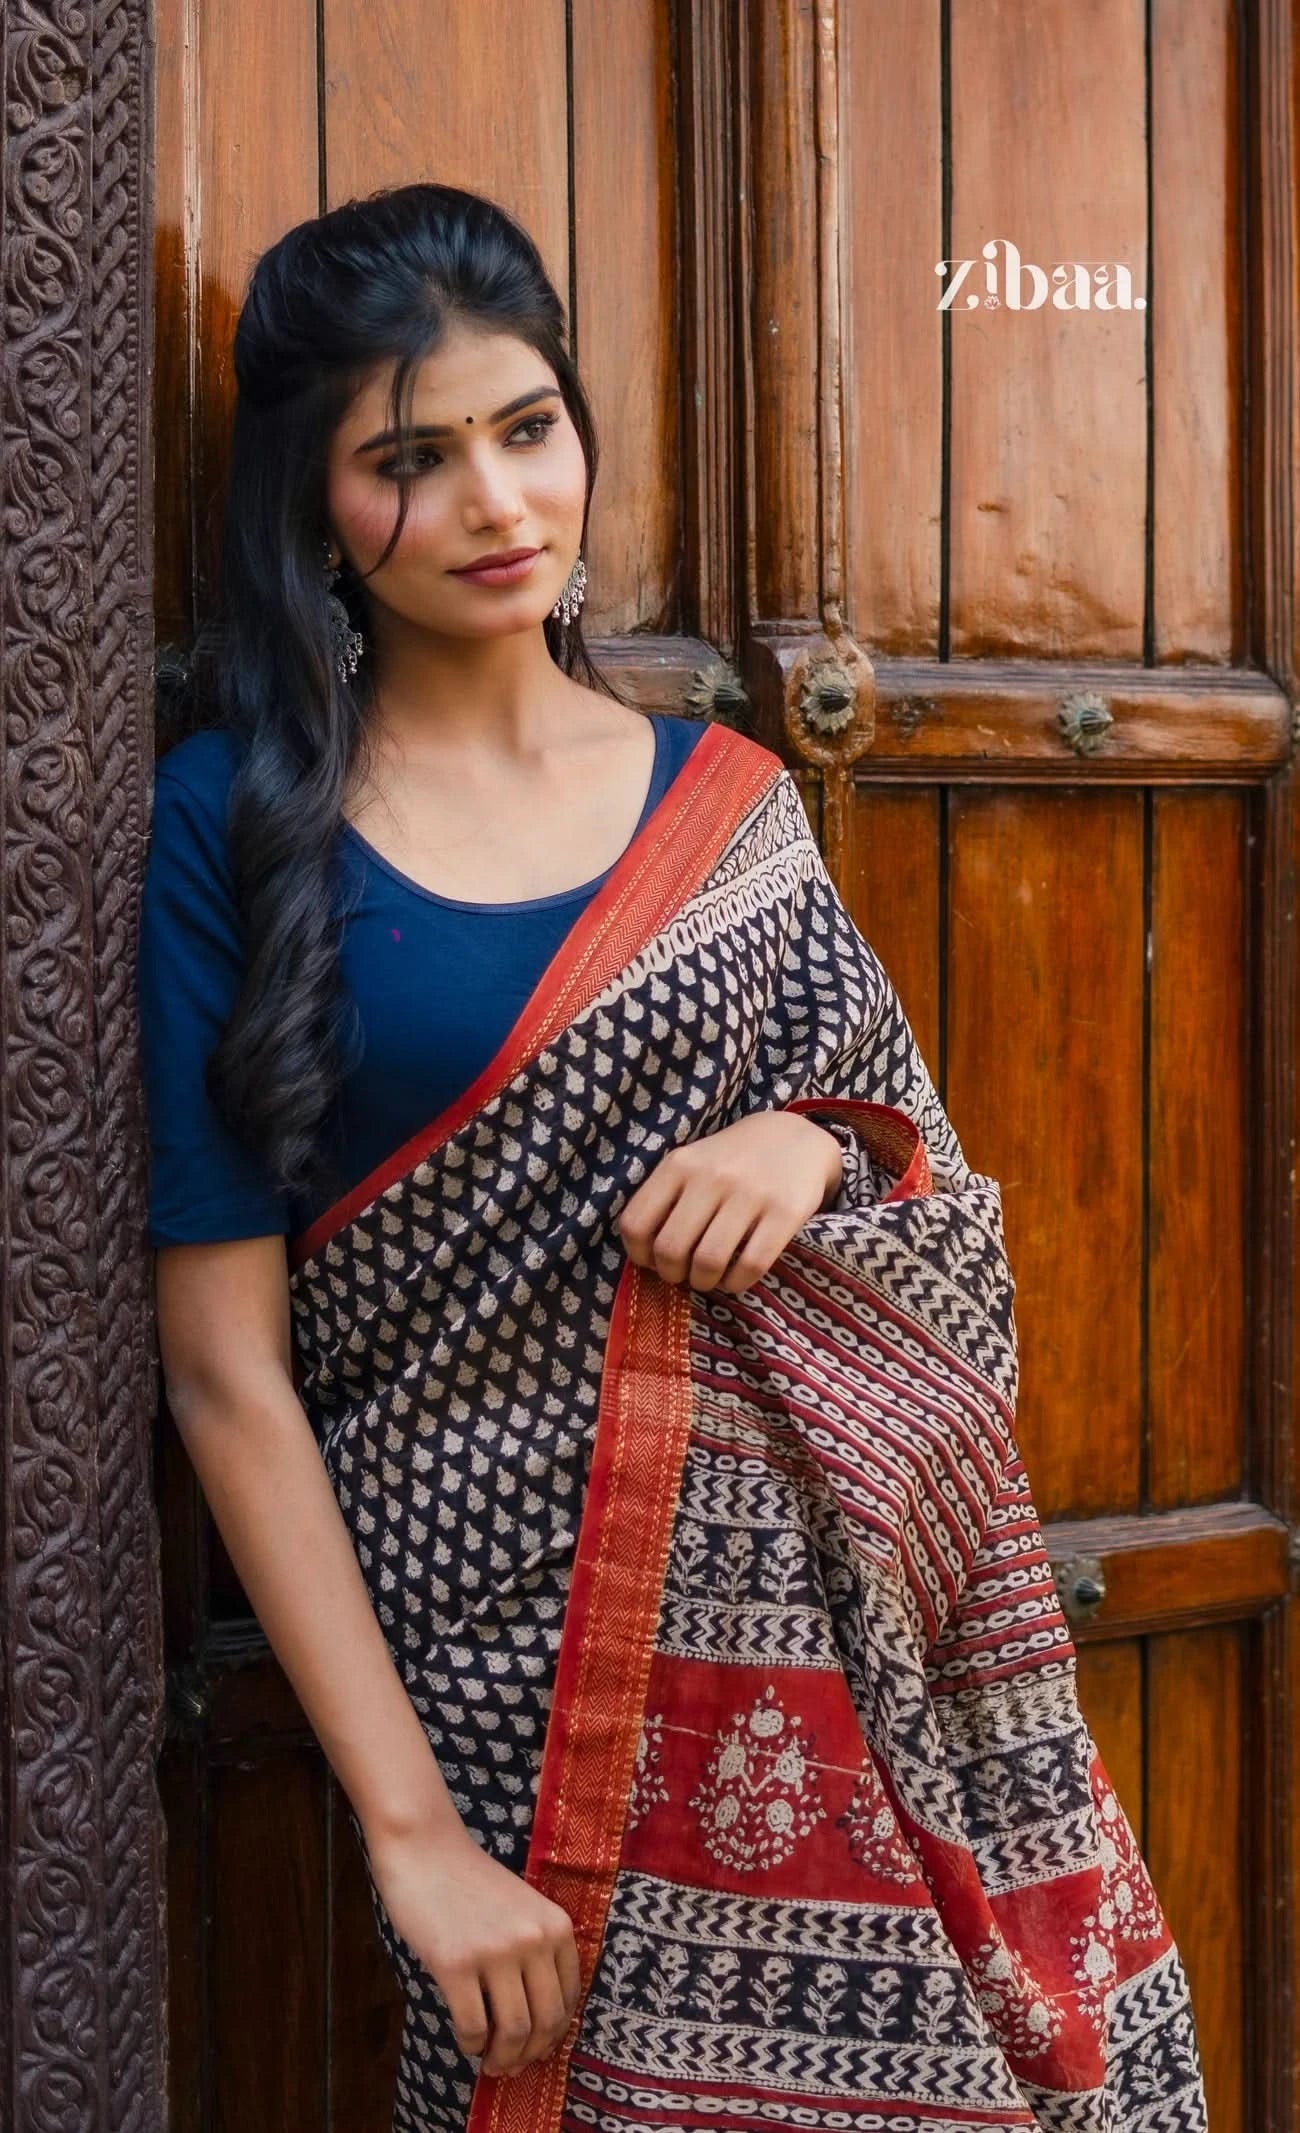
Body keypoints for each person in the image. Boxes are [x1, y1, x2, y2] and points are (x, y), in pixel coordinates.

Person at [139, 183, 1207, 2133]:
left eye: (523, 427)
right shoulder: (231, 822)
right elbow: (224, 1371)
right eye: (409, 458)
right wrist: (406, 1831)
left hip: (798, 1650)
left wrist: (806, 1144)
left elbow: (917, 1183)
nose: (492, 503)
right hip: (471, 1671)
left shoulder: (723, 810)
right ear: (313, 497)